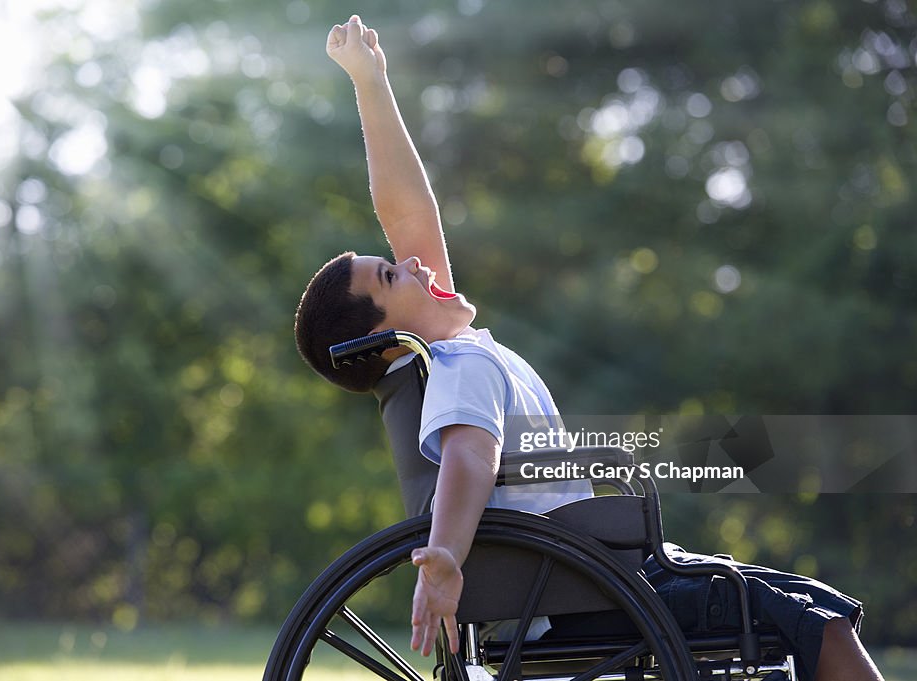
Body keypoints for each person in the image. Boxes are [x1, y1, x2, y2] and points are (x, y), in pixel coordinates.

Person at [293, 14, 885, 681]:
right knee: (820, 623)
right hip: (579, 590)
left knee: (808, 606)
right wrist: (448, 558)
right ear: (384, 338)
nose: (418, 265)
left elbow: (408, 216)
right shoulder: (458, 366)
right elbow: (468, 456)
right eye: (396, 274)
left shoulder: (448, 352)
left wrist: (371, 84)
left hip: (580, 577)